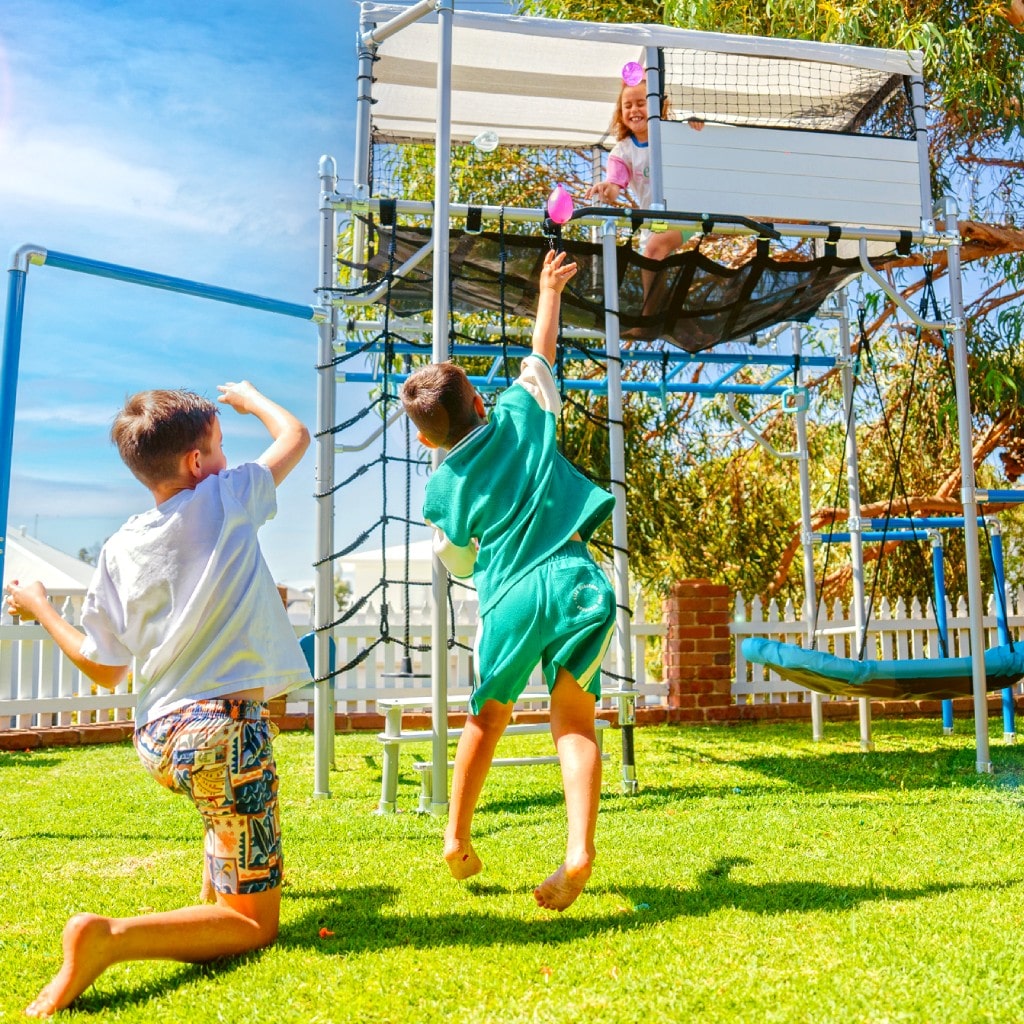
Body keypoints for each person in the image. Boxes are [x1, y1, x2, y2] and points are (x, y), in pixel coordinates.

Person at [4, 381, 312, 1018]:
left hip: (162, 736)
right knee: (255, 926)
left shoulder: (119, 547)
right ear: (198, 464)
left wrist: (39, 607)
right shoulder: (225, 498)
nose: (228, 461)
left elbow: (106, 669)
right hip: (222, 729)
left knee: (220, 818)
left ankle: (201, 914)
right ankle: (107, 940)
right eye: (222, 448)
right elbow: (296, 437)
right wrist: (253, 399)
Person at [399, 250, 616, 912]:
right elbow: (540, 353)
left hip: (513, 599)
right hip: (581, 582)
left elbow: (458, 560)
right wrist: (549, 290)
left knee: (486, 719)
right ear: (477, 400)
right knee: (575, 721)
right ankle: (578, 849)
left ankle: (457, 835)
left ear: (431, 441)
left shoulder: (442, 487)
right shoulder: (523, 415)